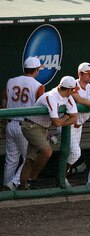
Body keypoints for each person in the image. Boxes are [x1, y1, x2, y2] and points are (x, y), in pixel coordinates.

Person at [20, 76, 78, 189]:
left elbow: (74, 118)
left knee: (30, 159)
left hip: (43, 128)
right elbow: (56, 123)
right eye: (73, 90)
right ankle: (32, 179)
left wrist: (63, 120)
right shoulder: (50, 96)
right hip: (31, 126)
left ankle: (22, 186)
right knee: (47, 151)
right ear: (68, 89)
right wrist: (66, 116)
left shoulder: (68, 97)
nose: (73, 92)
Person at [1, 57, 45, 190]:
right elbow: (42, 109)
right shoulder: (38, 86)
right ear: (36, 70)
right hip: (26, 126)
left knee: (11, 158)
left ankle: (7, 185)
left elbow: (3, 103)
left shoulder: (11, 81)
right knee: (29, 158)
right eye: (38, 69)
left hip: (10, 122)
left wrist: (3, 124)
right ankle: (13, 183)